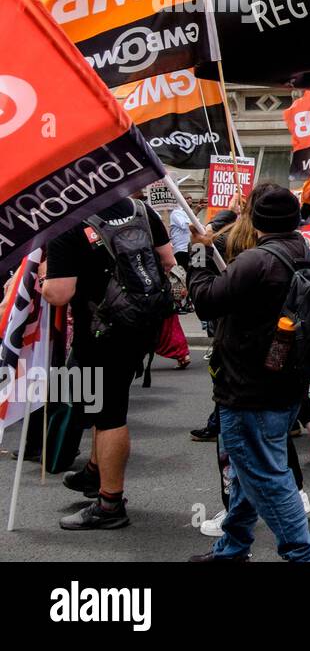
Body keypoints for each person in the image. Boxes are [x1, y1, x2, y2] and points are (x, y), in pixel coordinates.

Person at [184, 186, 310, 561]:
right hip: (285, 383)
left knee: (268, 477)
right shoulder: (308, 255)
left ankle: (306, 556)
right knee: (251, 470)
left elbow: (204, 301)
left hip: (249, 389)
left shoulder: (257, 261)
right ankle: (232, 548)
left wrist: (198, 252)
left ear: (255, 220)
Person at [44, 197, 176, 531]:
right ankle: (93, 470)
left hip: (100, 329)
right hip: (141, 324)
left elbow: (59, 294)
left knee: (109, 414)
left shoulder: (67, 223)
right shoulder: (140, 209)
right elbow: (168, 260)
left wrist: (43, 279)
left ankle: (109, 503)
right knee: (97, 398)